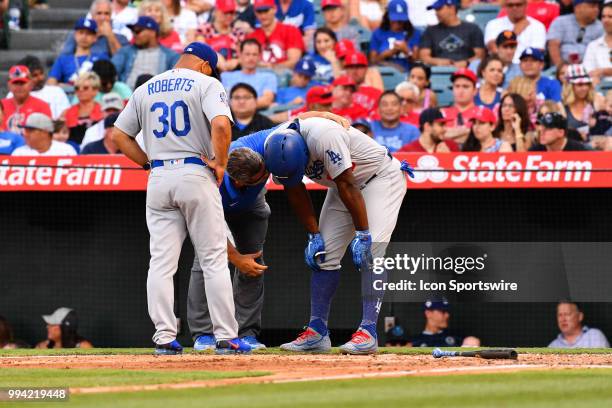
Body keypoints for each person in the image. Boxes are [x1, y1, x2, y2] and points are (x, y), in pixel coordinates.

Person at [222, 116, 413, 354]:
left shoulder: (324, 137)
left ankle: (368, 331)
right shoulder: (274, 146)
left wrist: (363, 233)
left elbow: (348, 184)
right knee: (324, 256)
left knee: (372, 253)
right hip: (341, 186)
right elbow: (294, 189)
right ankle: (317, 332)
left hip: (379, 178)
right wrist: (313, 234)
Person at [112, 42, 252, 355]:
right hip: (194, 171)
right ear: (205, 64)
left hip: (159, 176)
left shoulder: (146, 87)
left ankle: (164, 337)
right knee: (213, 258)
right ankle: (226, 336)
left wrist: (147, 163)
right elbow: (220, 124)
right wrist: (220, 162)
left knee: (161, 262)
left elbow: (119, 136)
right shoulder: (207, 82)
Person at [111, 16, 181, 90]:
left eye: (138, 31)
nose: (134, 35)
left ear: (152, 33)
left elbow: (175, 82)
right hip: (127, 95)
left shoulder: (171, 56)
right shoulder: (125, 51)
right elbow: (112, 71)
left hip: (155, 96)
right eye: (133, 31)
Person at [419, 0, 485, 67]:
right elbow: (423, 57)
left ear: (452, 8)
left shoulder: (472, 29)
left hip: (467, 71)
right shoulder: (430, 31)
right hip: (438, 71)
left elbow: (480, 56)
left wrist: (466, 63)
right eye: (436, 10)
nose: (436, 13)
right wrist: (439, 62)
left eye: (439, 9)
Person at [48, 18, 109, 87]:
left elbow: (106, 83)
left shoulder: (102, 58)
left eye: (88, 34)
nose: (84, 37)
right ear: (75, 35)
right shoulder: (63, 59)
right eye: (81, 32)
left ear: (95, 38)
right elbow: (51, 82)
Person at [247, 0, 305, 69]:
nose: (263, 15)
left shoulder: (291, 31)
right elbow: (247, 62)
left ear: (274, 9)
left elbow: (294, 62)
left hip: (284, 76)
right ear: (255, 13)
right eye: (259, 12)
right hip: (259, 76)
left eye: (266, 11)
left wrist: (272, 67)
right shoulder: (251, 37)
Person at [221, 39, 278, 109]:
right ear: (240, 55)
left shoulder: (269, 77)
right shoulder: (225, 76)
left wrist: (237, 105)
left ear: (259, 56)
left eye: (254, 54)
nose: (251, 58)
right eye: (247, 54)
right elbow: (221, 101)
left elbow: (266, 100)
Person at [8, 56, 70, 120]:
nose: (41, 78)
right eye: (35, 75)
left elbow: (63, 118)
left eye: (41, 73)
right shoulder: (14, 94)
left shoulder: (56, 91)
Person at [193, 0, 246, 72]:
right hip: (210, 71)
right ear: (216, 12)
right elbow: (200, 49)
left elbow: (245, 55)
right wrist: (215, 57)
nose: (229, 16)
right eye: (225, 12)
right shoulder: (204, 29)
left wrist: (237, 61)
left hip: (233, 72)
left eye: (232, 12)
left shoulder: (238, 33)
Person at [61, 0, 129, 56]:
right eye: (99, 13)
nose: (103, 18)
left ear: (111, 16)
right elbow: (64, 57)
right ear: (92, 16)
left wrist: (110, 36)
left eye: (106, 13)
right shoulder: (80, 34)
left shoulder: (120, 36)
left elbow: (122, 61)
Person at [547, 0, 603, 67]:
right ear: (578, 8)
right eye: (592, 6)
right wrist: (561, 68)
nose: (596, 10)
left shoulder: (601, 27)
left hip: (589, 68)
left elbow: (601, 53)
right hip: (560, 67)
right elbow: (553, 46)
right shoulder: (560, 21)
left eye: (597, 7)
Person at [369, 0, 421, 72]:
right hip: (383, 74)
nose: (398, 22)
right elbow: (372, 62)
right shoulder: (378, 33)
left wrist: (407, 51)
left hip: (407, 75)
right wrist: (388, 53)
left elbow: (418, 62)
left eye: (401, 20)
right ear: (388, 16)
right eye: (394, 19)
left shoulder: (414, 33)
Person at [1, 65, 52, 135]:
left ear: (31, 84)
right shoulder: (1, 105)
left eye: (22, 83)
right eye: (15, 83)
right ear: (9, 85)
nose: (19, 87)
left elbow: (44, 134)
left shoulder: (42, 106)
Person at [409, 298, 480, 348]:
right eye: (442, 312)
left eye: (447, 312)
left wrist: (471, 340)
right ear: (428, 313)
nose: (447, 315)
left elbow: (471, 340)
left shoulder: (456, 336)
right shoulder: (414, 341)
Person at [60, 72, 105, 146]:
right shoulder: (66, 113)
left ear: (95, 91)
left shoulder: (103, 111)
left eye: (85, 88)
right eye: (77, 88)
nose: (80, 90)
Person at [442, 68, 480, 143]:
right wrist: (468, 131)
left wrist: (449, 134)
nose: (460, 91)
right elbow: (439, 136)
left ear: (475, 91)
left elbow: (483, 138)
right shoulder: (441, 113)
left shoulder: (482, 113)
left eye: (465, 87)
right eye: (457, 86)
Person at [12, 113, 77, 156]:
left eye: (30, 131)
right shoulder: (19, 153)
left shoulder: (66, 151)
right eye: (25, 131)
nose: (25, 134)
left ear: (45, 132)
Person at [562, 64, 598, 140]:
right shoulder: (562, 108)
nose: (584, 88)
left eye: (587, 84)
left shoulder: (596, 102)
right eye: (580, 84)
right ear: (570, 87)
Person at [583, 1, 612, 83]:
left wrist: (604, 71)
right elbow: (588, 72)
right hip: (600, 91)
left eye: (610, 17)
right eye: (603, 17)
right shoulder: (593, 46)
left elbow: (598, 72)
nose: (606, 20)